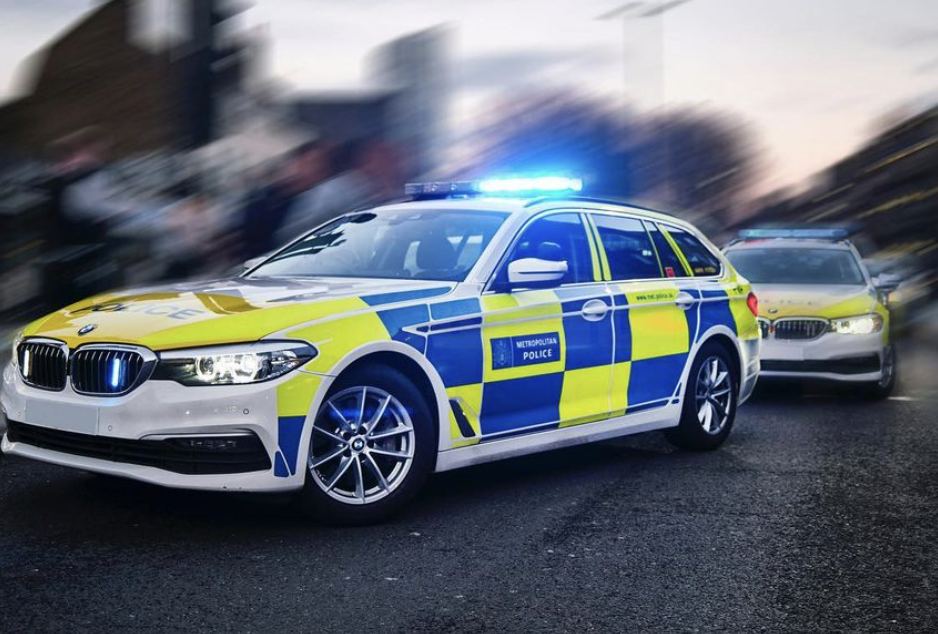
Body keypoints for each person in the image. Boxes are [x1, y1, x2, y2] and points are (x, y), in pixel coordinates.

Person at [274, 140, 404, 246]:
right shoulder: (336, 190)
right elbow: (294, 232)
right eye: (384, 157)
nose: (393, 163)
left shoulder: (393, 191)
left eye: (394, 158)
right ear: (366, 160)